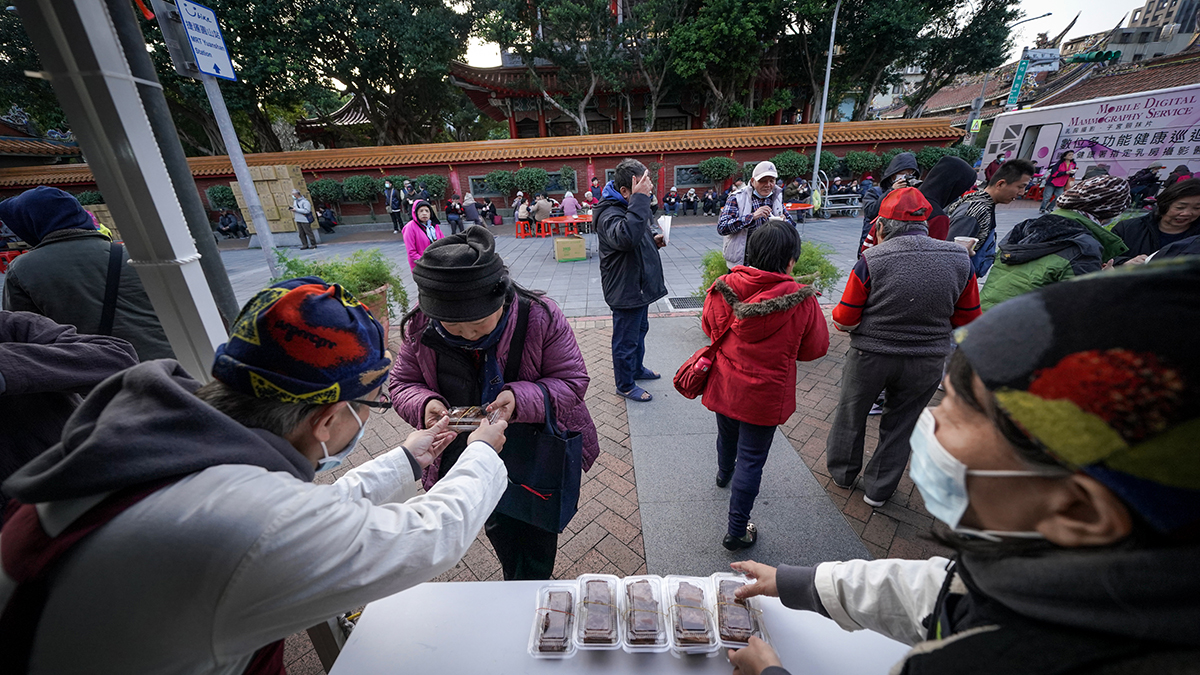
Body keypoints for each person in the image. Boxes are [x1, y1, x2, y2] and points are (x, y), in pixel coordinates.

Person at [0, 276, 510, 674]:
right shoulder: (247, 524)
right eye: (365, 407)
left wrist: (404, 458)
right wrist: (482, 451)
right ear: (327, 418)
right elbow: (427, 537)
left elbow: (294, 516)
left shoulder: (142, 445)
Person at [725, 259, 1200, 675]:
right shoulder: (1061, 582)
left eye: (957, 410)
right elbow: (949, 588)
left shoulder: (1006, 660)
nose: (929, 422)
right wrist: (802, 584)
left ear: (1079, 511)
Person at [389, 228, 599, 581]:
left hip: (535, 451)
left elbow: (573, 382)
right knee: (499, 525)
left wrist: (519, 400)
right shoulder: (421, 326)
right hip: (465, 450)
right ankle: (515, 580)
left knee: (535, 537)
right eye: (453, 327)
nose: (468, 336)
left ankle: (530, 591)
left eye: (477, 324)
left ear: (501, 298)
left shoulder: (541, 316)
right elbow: (402, 383)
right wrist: (425, 404)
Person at [826, 188, 981, 507]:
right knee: (902, 423)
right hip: (926, 359)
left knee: (851, 413)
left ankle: (843, 475)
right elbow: (968, 317)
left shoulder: (872, 259)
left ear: (881, 227)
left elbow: (844, 316)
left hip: (871, 356)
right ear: (925, 224)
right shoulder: (959, 259)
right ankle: (878, 490)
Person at [701, 222, 829, 551]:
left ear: (751, 253)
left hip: (726, 382)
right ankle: (737, 530)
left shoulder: (724, 286)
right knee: (753, 459)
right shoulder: (802, 299)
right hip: (767, 394)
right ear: (790, 260)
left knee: (726, 434)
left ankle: (722, 472)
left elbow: (708, 325)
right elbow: (815, 348)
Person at [0, 186, 174, 361]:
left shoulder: (22, 270)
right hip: (167, 363)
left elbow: (23, 333)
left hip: (95, 371)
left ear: (30, 223)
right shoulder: (133, 256)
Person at [0, 311, 138, 506]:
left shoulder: (11, 326)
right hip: (30, 520)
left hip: (88, 492)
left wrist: (10, 366)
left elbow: (119, 357)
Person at [981, 175, 1130, 310]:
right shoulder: (1084, 248)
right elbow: (1081, 309)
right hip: (1024, 332)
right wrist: (1107, 282)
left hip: (985, 316)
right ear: (1109, 212)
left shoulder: (1027, 225)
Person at [595, 158, 668, 403]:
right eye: (644, 186)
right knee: (626, 340)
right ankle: (625, 384)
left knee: (640, 330)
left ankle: (636, 370)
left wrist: (653, 241)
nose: (648, 190)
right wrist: (639, 200)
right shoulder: (608, 213)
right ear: (625, 190)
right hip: (625, 289)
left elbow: (636, 235)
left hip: (638, 286)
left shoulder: (628, 206)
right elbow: (625, 237)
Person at [946, 158, 1036, 277]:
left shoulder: (984, 204)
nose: (1022, 192)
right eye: (1020, 187)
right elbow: (950, 252)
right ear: (1001, 184)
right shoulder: (977, 210)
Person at [717, 161, 795, 269]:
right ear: (753, 181)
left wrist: (783, 222)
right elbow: (722, 227)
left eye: (771, 181)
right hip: (743, 263)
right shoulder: (737, 198)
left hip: (771, 262)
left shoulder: (776, 197)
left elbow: (792, 226)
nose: (768, 185)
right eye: (763, 181)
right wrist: (752, 217)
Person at [1111, 178, 1200, 264]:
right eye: (1180, 208)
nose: (1187, 213)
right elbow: (1104, 257)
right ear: (1164, 204)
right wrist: (1124, 262)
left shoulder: (1197, 236)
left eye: (1197, 208)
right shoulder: (1127, 228)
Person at [862, 152, 918, 251]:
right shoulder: (875, 192)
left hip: (900, 248)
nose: (906, 177)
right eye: (904, 174)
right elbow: (871, 212)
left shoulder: (912, 195)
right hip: (873, 245)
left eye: (910, 174)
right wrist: (891, 192)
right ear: (893, 175)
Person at [402, 199, 444, 271]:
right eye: (421, 211)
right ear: (416, 213)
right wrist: (425, 262)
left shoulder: (434, 226)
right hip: (421, 265)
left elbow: (443, 243)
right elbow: (411, 252)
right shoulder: (410, 227)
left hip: (437, 263)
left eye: (427, 211)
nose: (424, 213)